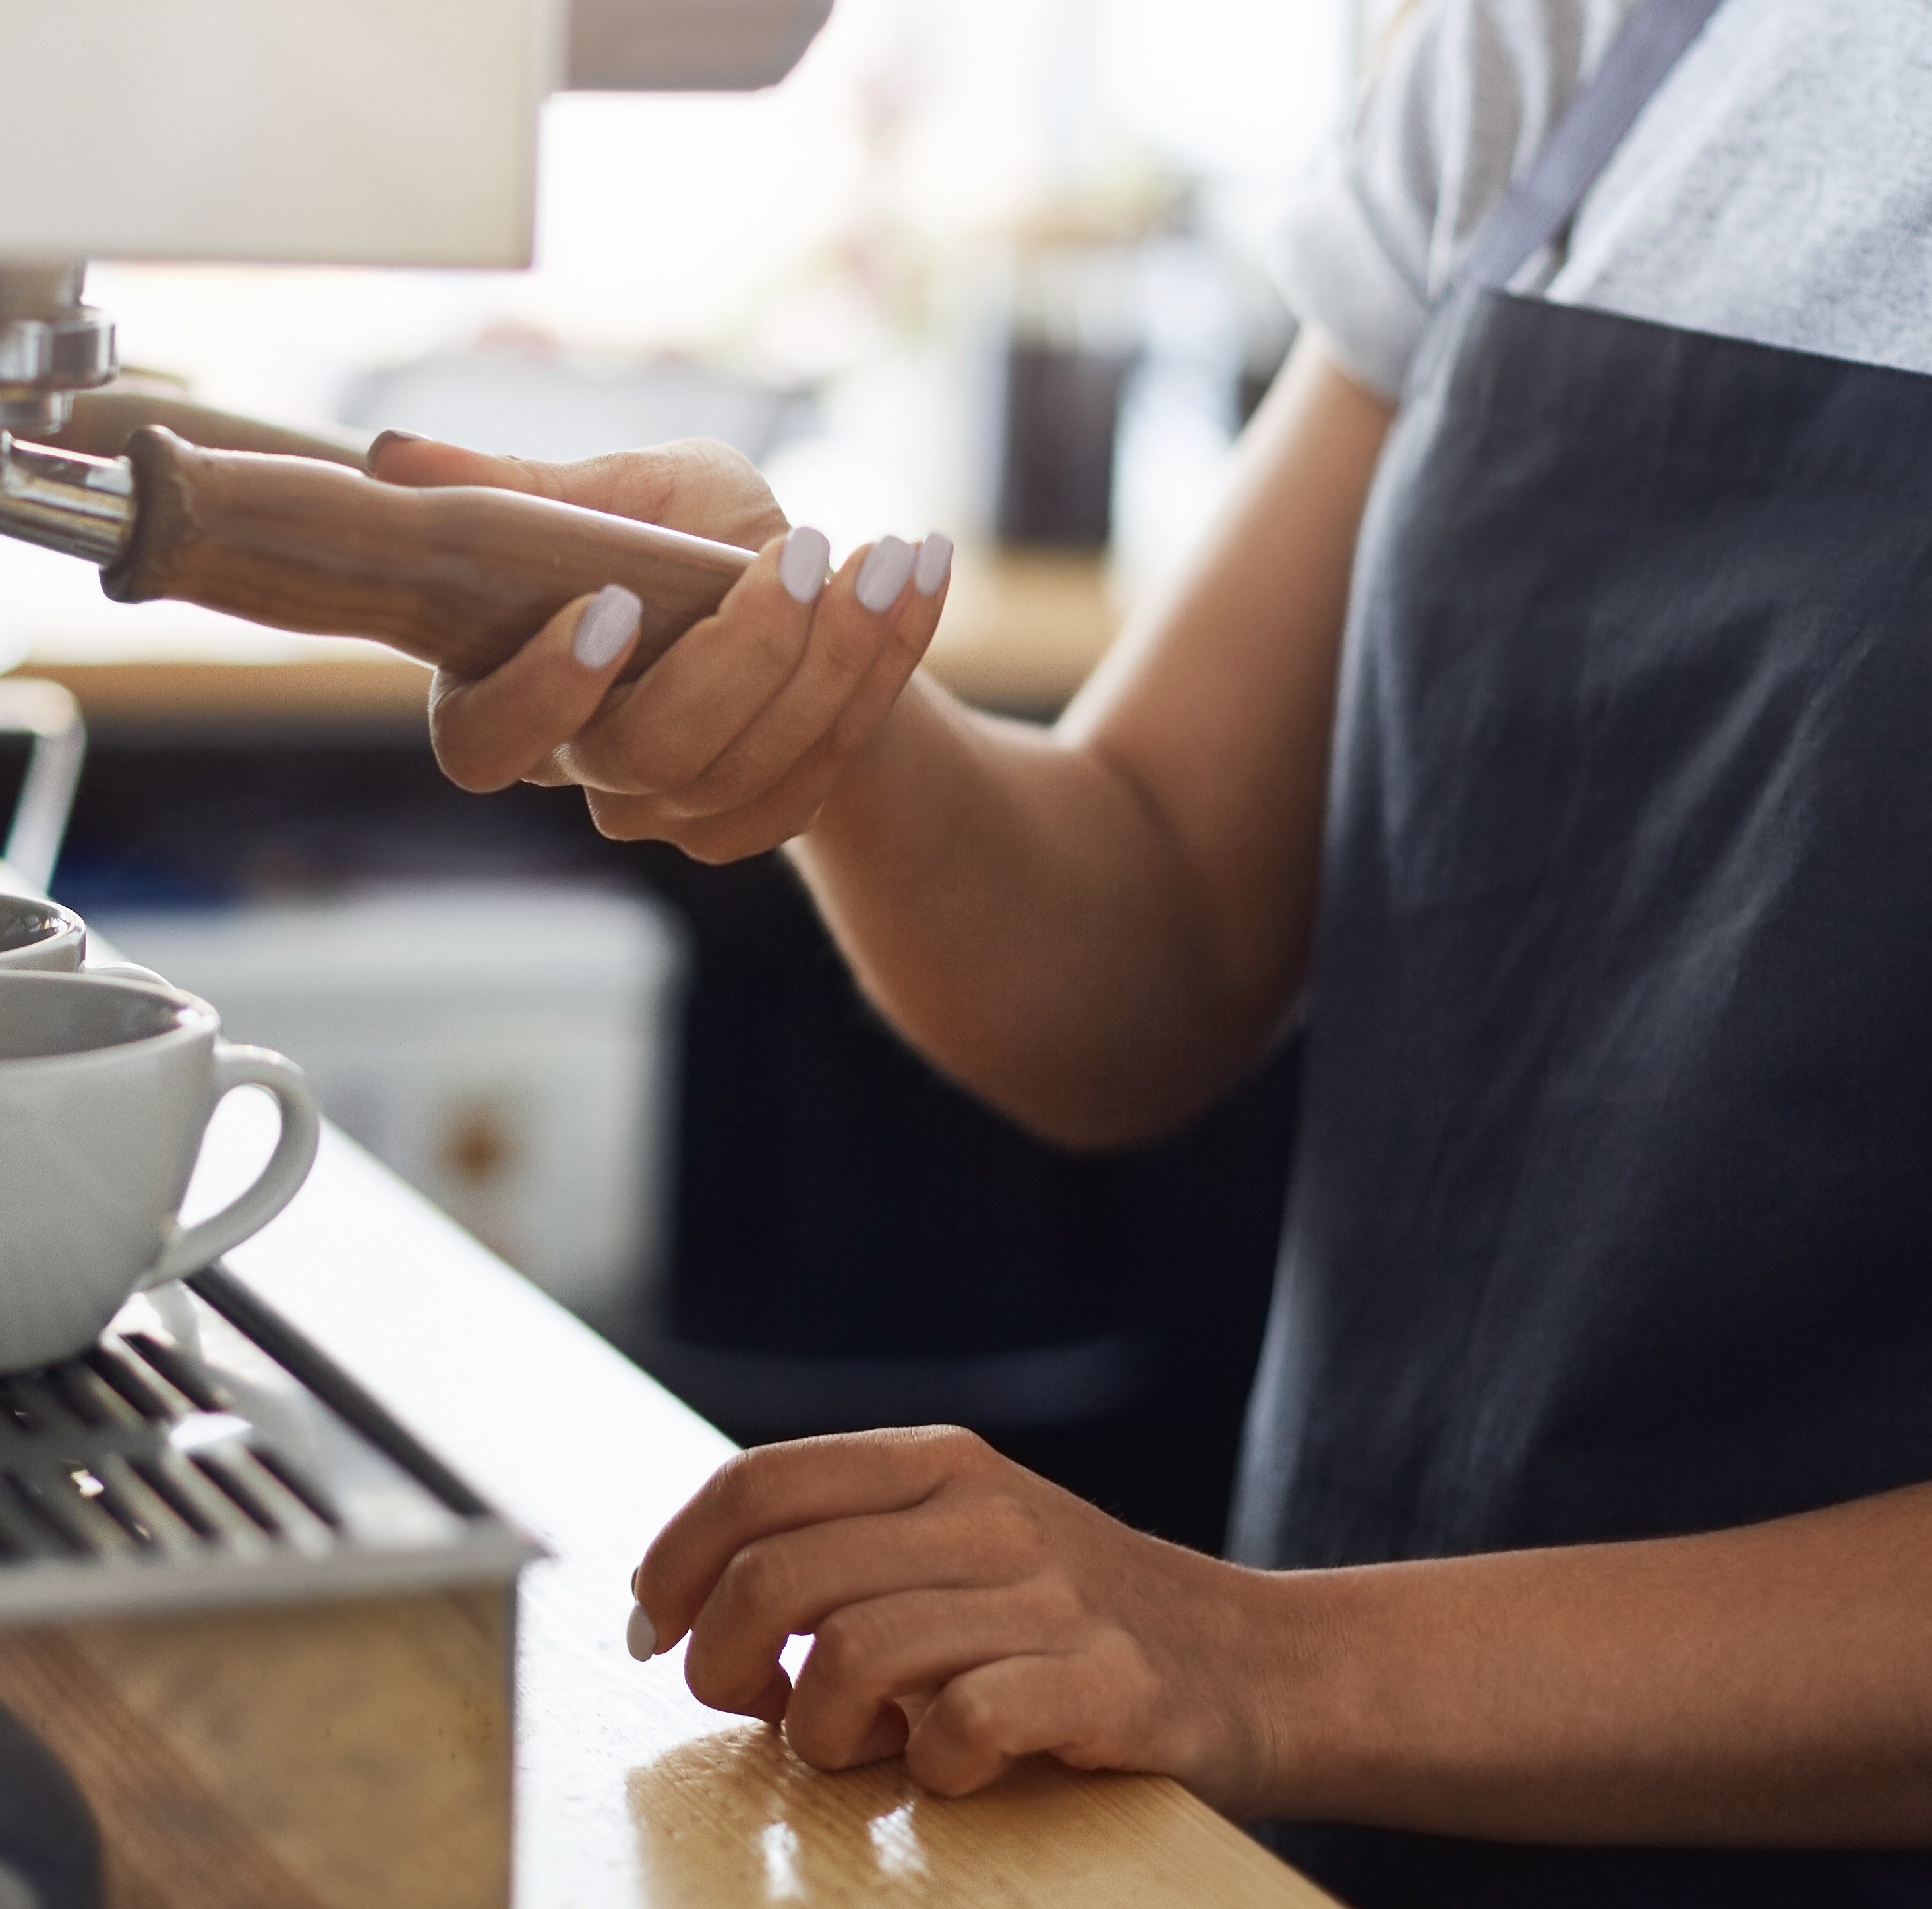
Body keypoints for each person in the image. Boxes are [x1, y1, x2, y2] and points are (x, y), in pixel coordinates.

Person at [371, 1, 1932, 1900]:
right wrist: (806, 694)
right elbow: (1163, 919)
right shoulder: (1593, 38)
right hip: (1336, 1845)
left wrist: (1262, 1659)